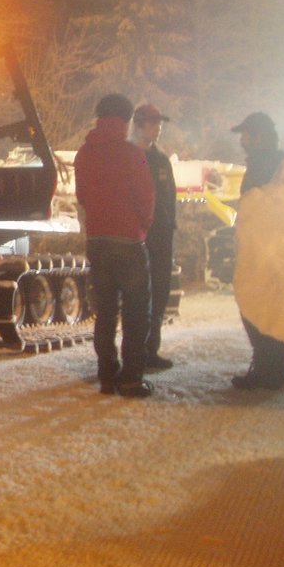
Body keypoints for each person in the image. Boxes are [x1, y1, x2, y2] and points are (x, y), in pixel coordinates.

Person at [74, 94, 156, 398]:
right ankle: (132, 378)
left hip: (97, 240)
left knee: (106, 310)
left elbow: (81, 196)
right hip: (129, 241)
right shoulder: (133, 154)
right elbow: (146, 199)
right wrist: (141, 227)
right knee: (136, 311)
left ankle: (107, 374)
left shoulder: (83, 154)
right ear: (124, 120)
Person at [230, 112, 284, 390]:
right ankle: (280, 369)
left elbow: (263, 203)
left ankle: (267, 369)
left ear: (257, 136)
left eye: (245, 134)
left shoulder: (262, 163)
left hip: (264, 247)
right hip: (282, 246)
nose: (242, 139)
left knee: (254, 306)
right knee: (278, 306)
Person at [132, 103, 176, 372]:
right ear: (139, 125)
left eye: (159, 123)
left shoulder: (161, 160)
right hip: (139, 237)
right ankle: (136, 351)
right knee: (139, 297)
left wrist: (171, 227)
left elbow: (169, 199)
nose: (158, 128)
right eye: (152, 123)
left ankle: (151, 350)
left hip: (162, 236)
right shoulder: (131, 157)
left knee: (159, 293)